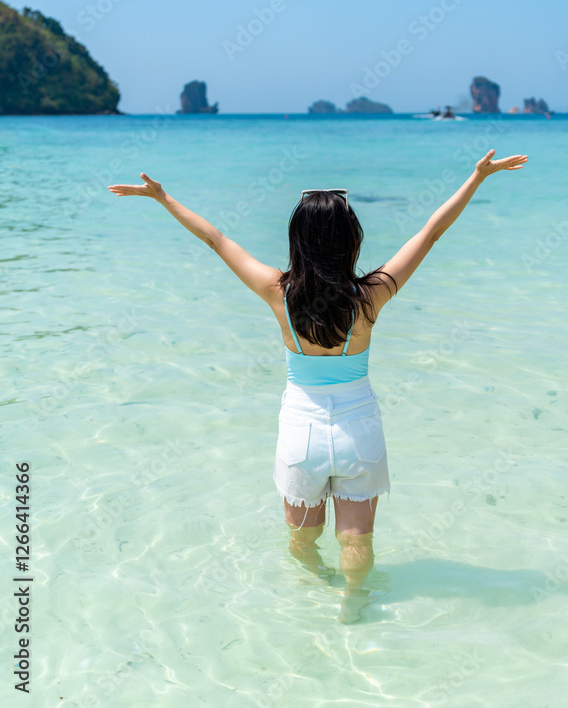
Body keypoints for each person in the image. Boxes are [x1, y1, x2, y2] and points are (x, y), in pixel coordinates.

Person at [108, 147, 528, 620]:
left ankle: (311, 602)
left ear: (297, 239)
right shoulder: (371, 295)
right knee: (357, 538)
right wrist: (476, 179)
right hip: (359, 430)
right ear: (351, 238)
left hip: (300, 432)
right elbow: (430, 233)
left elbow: (215, 239)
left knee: (303, 539)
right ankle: (351, 603)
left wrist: (164, 198)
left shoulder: (276, 291)